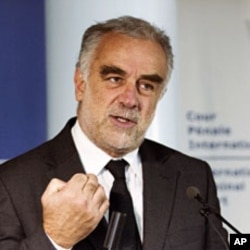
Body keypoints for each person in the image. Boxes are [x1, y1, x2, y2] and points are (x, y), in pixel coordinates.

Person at [0, 16, 228, 250]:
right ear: (80, 84)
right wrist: (56, 239)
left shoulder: (192, 177)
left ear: (161, 94)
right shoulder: (11, 183)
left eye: (147, 86)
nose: (130, 99)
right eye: (115, 79)